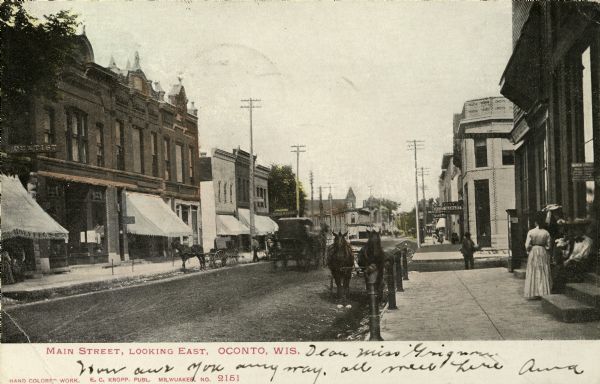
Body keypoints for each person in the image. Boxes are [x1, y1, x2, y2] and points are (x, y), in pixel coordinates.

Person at [523, 211, 552, 299]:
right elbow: (549, 245)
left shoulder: (531, 232)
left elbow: (527, 245)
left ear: (535, 222)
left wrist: (529, 250)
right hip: (542, 251)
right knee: (543, 270)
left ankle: (534, 291)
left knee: (534, 270)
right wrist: (544, 248)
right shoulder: (546, 233)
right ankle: (543, 291)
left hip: (533, 251)